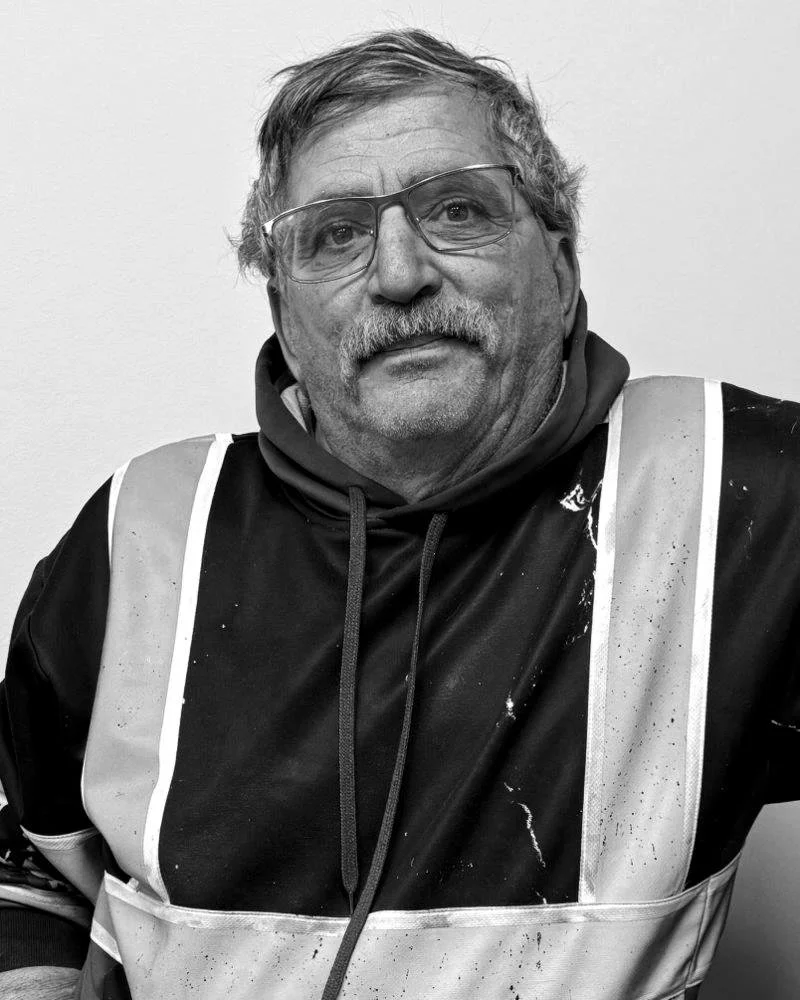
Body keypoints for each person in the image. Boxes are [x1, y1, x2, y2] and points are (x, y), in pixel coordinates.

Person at [1, 27, 798, 1000]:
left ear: (558, 267)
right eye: (334, 234)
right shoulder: (141, 532)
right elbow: (32, 861)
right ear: (283, 314)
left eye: (457, 208)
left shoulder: (734, 493)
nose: (398, 272)